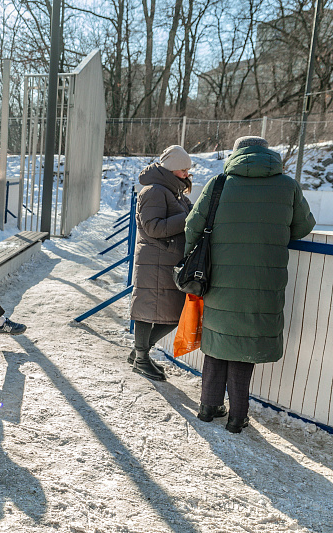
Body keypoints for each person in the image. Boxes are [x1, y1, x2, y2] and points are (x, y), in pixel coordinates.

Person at [186, 136, 315, 433]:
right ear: (267, 154)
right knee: (245, 346)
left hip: (220, 279)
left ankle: (207, 407)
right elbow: (304, 226)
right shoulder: (288, 185)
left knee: (218, 341)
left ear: (236, 154)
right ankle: (237, 417)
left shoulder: (219, 184)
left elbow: (192, 225)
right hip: (264, 282)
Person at [129, 145, 194, 382]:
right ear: (170, 168)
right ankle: (141, 358)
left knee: (174, 314)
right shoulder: (154, 191)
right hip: (154, 261)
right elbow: (153, 227)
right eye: (182, 170)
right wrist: (188, 218)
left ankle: (139, 352)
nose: (186, 174)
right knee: (147, 311)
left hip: (167, 261)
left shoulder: (174, 192)